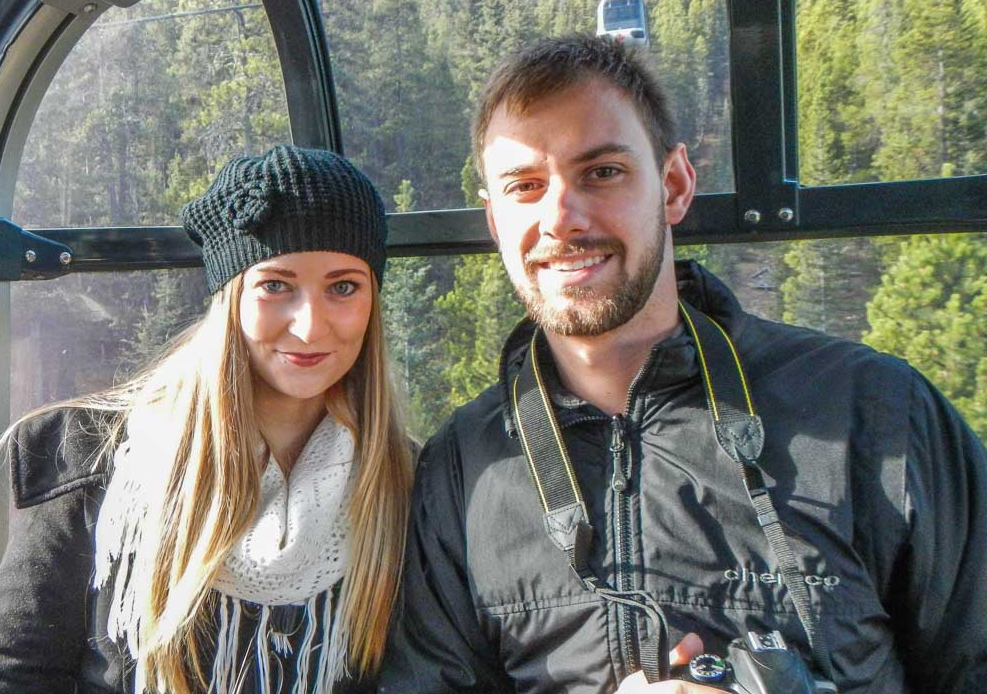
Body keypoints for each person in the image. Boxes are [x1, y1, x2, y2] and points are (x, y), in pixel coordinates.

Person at [379, 35, 987, 694]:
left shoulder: (875, 415)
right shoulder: (463, 471)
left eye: (602, 172)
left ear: (674, 185)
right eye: (525, 186)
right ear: (495, 219)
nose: (561, 217)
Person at [0, 145, 414, 694]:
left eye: (343, 287)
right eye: (275, 285)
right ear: (229, 297)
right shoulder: (94, 456)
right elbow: (10, 675)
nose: (310, 326)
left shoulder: (407, 481)